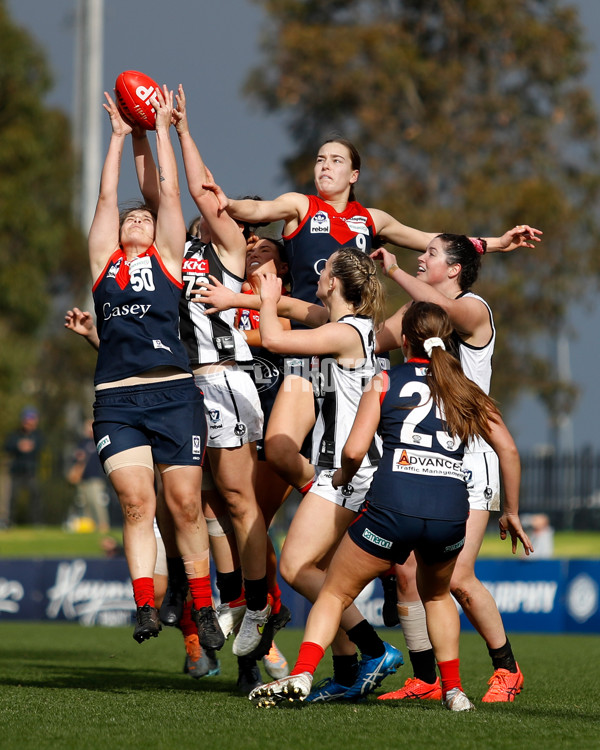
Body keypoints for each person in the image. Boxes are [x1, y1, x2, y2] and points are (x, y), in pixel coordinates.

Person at [201, 138, 541, 501]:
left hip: (355, 358)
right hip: (307, 355)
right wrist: (230, 203)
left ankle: (352, 507)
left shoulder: (371, 218)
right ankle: (326, 495)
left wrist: (496, 243)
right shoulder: (300, 205)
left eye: (336, 161)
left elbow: (432, 239)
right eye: (320, 160)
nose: (325, 167)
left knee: (363, 459)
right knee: (281, 451)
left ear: (354, 174)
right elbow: (260, 209)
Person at [249, 302, 533, 710]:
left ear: (403, 341)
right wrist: (511, 511)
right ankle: (453, 691)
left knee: (333, 592)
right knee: (436, 597)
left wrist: (344, 477)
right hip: (449, 514)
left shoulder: (384, 379)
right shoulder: (465, 388)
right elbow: (507, 449)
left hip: (393, 508)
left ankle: (304, 672)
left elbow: (354, 449)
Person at [88, 86, 222, 649]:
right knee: (136, 502)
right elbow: (103, 203)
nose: (138, 217)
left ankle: (203, 604)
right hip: (117, 399)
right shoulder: (105, 261)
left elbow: (170, 195)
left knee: (186, 504)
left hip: (173, 394)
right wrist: (119, 138)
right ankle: (145, 605)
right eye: (131, 217)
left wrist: (162, 129)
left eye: (143, 216)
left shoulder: (169, 257)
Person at [372, 234, 528, 703]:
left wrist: (394, 271)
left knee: (455, 576)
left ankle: (507, 669)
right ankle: (426, 677)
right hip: (429, 455)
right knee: (406, 571)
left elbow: (443, 307)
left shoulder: (474, 309)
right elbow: (369, 341)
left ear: (455, 269)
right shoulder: (420, 317)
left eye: (432, 254)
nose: (422, 259)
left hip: (472, 458)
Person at [251, 247, 403, 702]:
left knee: (298, 567)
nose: (317, 275)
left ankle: (375, 651)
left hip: (348, 473)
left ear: (333, 283)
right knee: (327, 577)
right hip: (354, 469)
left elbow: (275, 340)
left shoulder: (344, 333)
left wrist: (263, 295)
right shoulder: (354, 329)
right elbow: (301, 312)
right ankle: (347, 669)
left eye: (324, 270)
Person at [67, 418, 111, 533]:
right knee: (85, 503)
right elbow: (75, 459)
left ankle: (103, 525)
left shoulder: (99, 440)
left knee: (96, 502)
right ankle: (90, 526)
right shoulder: (82, 442)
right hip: (83, 479)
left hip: (96, 477)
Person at [3, 407, 44, 526]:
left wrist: (32, 446)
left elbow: (41, 446)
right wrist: (18, 445)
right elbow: (7, 447)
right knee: (13, 498)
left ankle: (38, 523)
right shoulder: (15, 434)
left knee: (35, 497)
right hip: (17, 471)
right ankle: (9, 522)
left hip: (32, 471)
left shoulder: (37, 435)